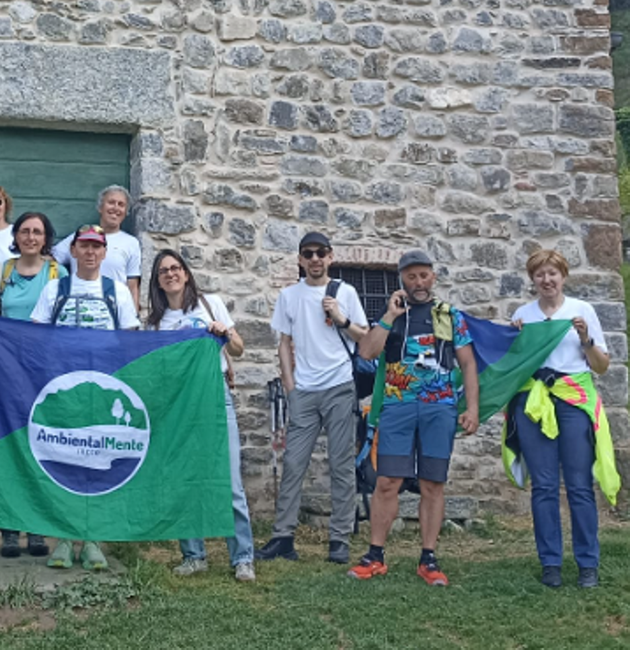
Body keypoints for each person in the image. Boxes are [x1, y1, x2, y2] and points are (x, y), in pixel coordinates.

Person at [347, 249, 479, 587]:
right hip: (397, 408)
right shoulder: (391, 314)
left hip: (440, 409)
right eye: (411, 276)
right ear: (401, 279)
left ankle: (429, 558)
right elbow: (366, 352)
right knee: (386, 481)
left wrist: (472, 408)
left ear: (433, 277)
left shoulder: (450, 315)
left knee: (433, 483)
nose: (418, 282)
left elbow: (467, 364)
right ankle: (375, 555)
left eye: (423, 275)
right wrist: (389, 317)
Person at [255, 232, 368, 565]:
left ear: (330, 257)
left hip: (340, 386)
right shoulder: (289, 295)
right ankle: (283, 537)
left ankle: (339, 539)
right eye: (309, 253)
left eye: (321, 253)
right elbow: (284, 343)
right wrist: (290, 386)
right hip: (304, 390)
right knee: (293, 465)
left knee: (342, 465)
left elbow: (364, 336)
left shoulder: (345, 292)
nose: (315, 259)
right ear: (301, 259)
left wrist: (340, 317)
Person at [32, 224, 139, 569]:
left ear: (105, 252)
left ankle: (92, 539)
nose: (90, 252)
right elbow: (34, 336)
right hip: (63, 389)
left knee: (96, 462)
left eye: (97, 246)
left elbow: (129, 342)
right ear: (73, 250)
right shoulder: (55, 288)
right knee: (63, 459)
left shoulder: (117, 291)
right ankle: (64, 539)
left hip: (103, 390)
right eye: (84, 246)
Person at [146, 249, 255, 582]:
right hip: (178, 403)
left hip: (215, 397)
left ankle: (243, 558)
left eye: (175, 268)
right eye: (163, 271)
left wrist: (225, 333)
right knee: (185, 480)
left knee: (230, 482)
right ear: (157, 281)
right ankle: (194, 555)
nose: (170, 274)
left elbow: (237, 349)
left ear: (186, 273)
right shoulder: (155, 324)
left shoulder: (209, 305)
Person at [507, 249, 613, 589]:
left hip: (573, 402)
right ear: (532, 279)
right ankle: (550, 562)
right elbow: (513, 364)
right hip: (534, 403)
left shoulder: (582, 311)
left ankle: (587, 565)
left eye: (552, 273)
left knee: (580, 486)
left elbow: (601, 365)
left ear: (563, 276)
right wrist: (515, 339)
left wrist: (585, 339)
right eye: (540, 274)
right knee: (544, 487)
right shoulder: (523, 314)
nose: (546, 279)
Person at [0, 212, 65, 558]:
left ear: (46, 238)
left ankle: (37, 529)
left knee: (39, 446)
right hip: (5, 372)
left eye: (37, 232)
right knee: (8, 447)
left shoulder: (57, 273)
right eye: (24, 231)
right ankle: (8, 528)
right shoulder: (2, 272)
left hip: (42, 373)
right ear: (16, 236)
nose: (31, 237)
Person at [52, 185, 142, 307]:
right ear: (100, 207)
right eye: (111, 202)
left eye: (121, 205)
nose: (116, 208)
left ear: (126, 212)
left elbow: (132, 285)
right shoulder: (79, 237)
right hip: (78, 307)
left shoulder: (131, 243)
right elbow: (51, 260)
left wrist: (133, 317)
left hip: (114, 312)